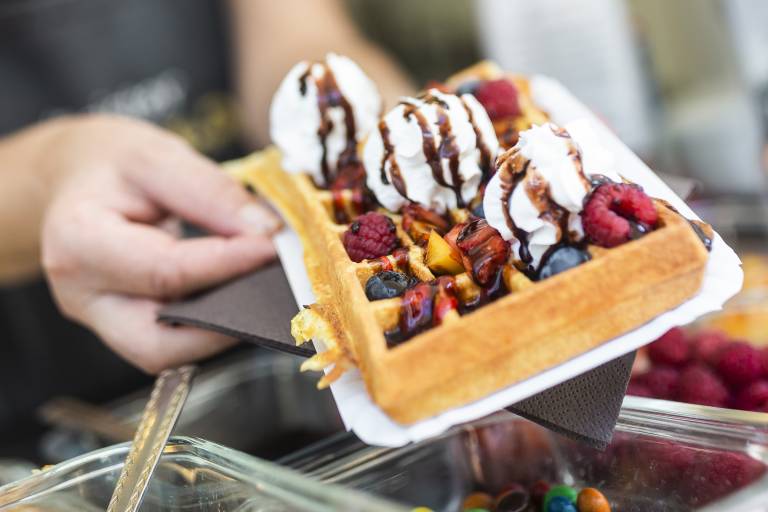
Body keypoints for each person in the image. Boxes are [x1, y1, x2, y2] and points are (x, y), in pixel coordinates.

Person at [0, 0, 412, 456]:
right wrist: (47, 172)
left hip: (306, 361)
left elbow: (296, 36)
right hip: (44, 410)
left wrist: (360, 116)